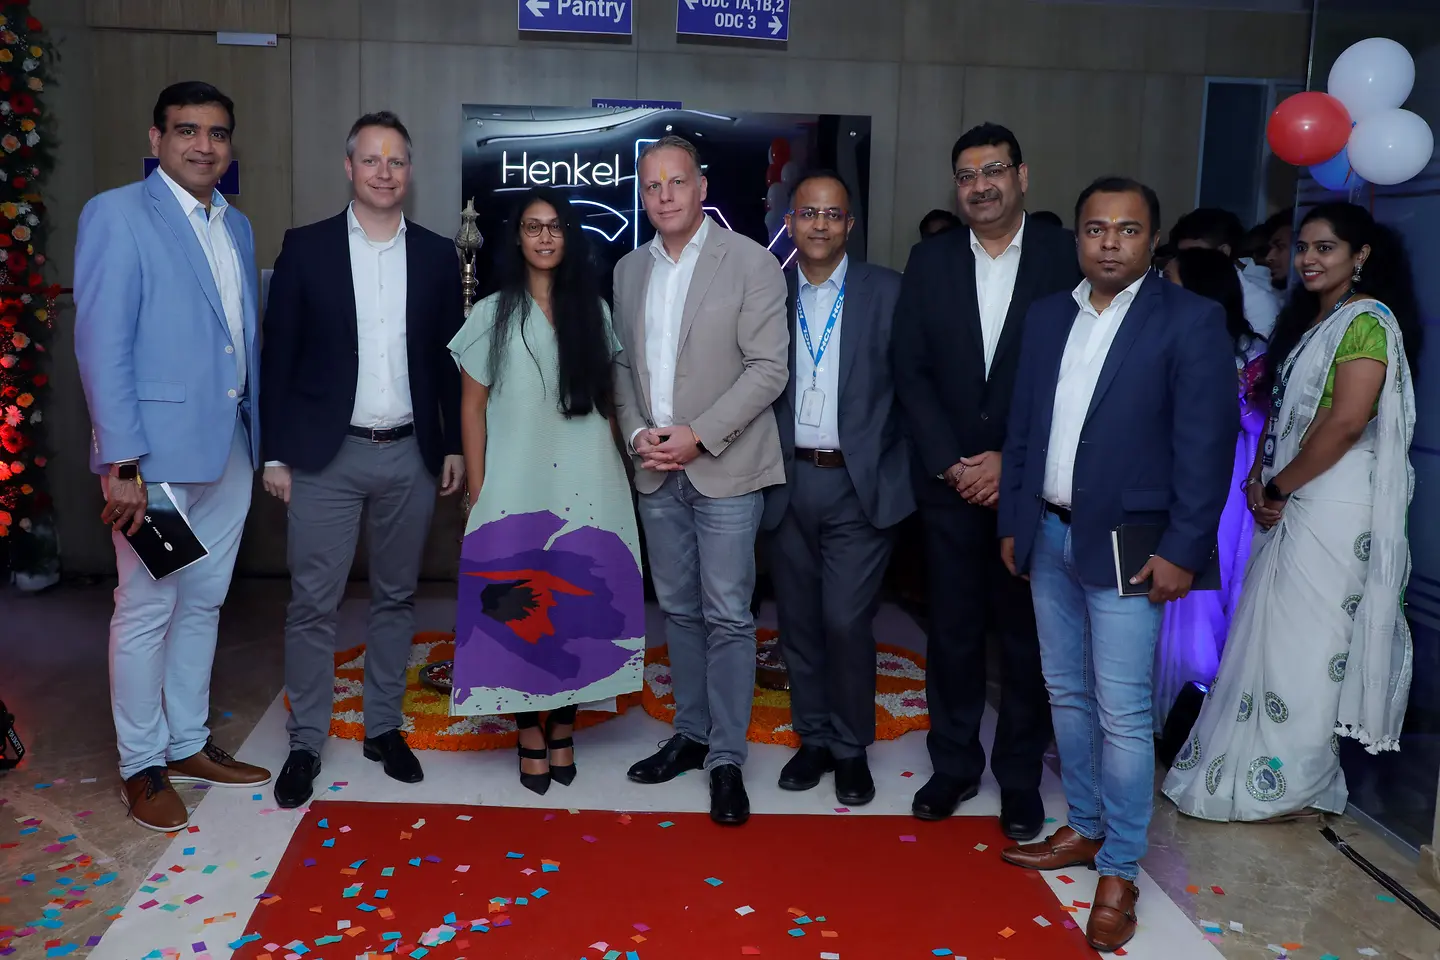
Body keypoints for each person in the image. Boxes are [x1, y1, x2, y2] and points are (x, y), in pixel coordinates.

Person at [997, 177, 1237, 952]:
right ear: (1078, 237)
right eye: (1095, 228)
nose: (1109, 242)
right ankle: (1088, 828)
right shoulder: (1046, 317)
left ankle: (1122, 869)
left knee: (1123, 712)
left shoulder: (1191, 321)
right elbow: (1025, 429)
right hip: (1051, 532)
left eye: (1127, 230)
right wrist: (1013, 522)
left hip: (1135, 544)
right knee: (1066, 693)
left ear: (1152, 240)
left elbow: (1209, 446)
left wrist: (1184, 548)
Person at [1163, 202, 1419, 822]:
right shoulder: (1312, 322)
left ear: (1360, 257)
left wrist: (1276, 488)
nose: (1307, 259)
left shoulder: (1367, 321)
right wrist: (1258, 478)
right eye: (1302, 247)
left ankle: (1290, 784)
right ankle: (1259, 774)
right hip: (1293, 492)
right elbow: (1284, 418)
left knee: (1311, 646)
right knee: (1273, 637)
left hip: (1332, 501)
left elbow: (1347, 421)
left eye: (1325, 248)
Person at [74, 81, 271, 832]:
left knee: (203, 602)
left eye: (217, 133)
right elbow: (100, 342)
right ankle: (142, 764)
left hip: (227, 450)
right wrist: (120, 463)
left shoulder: (236, 225)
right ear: (155, 138)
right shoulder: (118, 214)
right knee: (148, 607)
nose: (204, 145)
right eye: (187, 130)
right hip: (150, 460)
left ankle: (188, 743)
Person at [260, 112, 465, 808]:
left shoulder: (439, 256)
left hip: (409, 452)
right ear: (349, 167)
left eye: (397, 161)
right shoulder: (307, 248)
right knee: (313, 604)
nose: (384, 171)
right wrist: (275, 454)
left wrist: (455, 446)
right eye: (371, 160)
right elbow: (277, 355)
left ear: (411, 172)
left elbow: (446, 363)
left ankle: (383, 727)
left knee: (397, 597)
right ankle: (306, 741)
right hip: (325, 456)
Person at [892, 123, 1079, 836]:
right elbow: (909, 369)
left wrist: (1011, 462)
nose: (980, 185)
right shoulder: (930, 260)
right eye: (966, 175)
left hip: (1030, 488)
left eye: (993, 170)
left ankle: (1021, 777)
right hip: (949, 486)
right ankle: (953, 764)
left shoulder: (1068, 257)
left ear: (1022, 176)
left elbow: (1075, 378)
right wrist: (952, 461)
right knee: (955, 631)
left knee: (1027, 638)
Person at [611, 136, 788, 826]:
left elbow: (767, 369)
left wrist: (698, 435)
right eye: (652, 187)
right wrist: (637, 435)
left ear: (702, 187)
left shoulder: (750, 262)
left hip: (726, 468)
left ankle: (727, 759)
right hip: (656, 469)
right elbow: (622, 366)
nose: (664, 197)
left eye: (676, 183)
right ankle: (690, 735)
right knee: (678, 611)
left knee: (727, 615)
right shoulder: (628, 269)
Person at [447, 188, 644, 795]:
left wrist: (626, 475)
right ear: (517, 238)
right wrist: (477, 494)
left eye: (555, 226)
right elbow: (472, 410)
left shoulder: (596, 312)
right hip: (515, 485)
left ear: (569, 236)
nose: (544, 237)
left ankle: (563, 727)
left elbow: (611, 407)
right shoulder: (490, 313)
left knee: (576, 609)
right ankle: (528, 732)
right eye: (533, 227)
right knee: (518, 612)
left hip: (590, 480)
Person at [761, 171, 910, 806]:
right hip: (785, 478)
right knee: (796, 621)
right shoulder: (766, 291)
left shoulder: (890, 293)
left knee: (845, 619)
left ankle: (851, 747)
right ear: (790, 223)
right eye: (807, 214)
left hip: (858, 481)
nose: (819, 225)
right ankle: (814, 738)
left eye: (833, 215)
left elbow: (915, 388)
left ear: (850, 224)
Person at [1151, 248, 1267, 731]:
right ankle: (1165, 707)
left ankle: (1197, 709)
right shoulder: (1158, 337)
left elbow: (1266, 424)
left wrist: (1232, 400)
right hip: (1167, 470)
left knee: (1204, 589)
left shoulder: (1251, 350)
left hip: (1226, 476)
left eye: (1170, 278)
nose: (1161, 286)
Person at [1169, 207, 1280, 338]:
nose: (1184, 262)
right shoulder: (1176, 291)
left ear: (1224, 252)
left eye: (1195, 254)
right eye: (1181, 255)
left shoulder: (1259, 305)